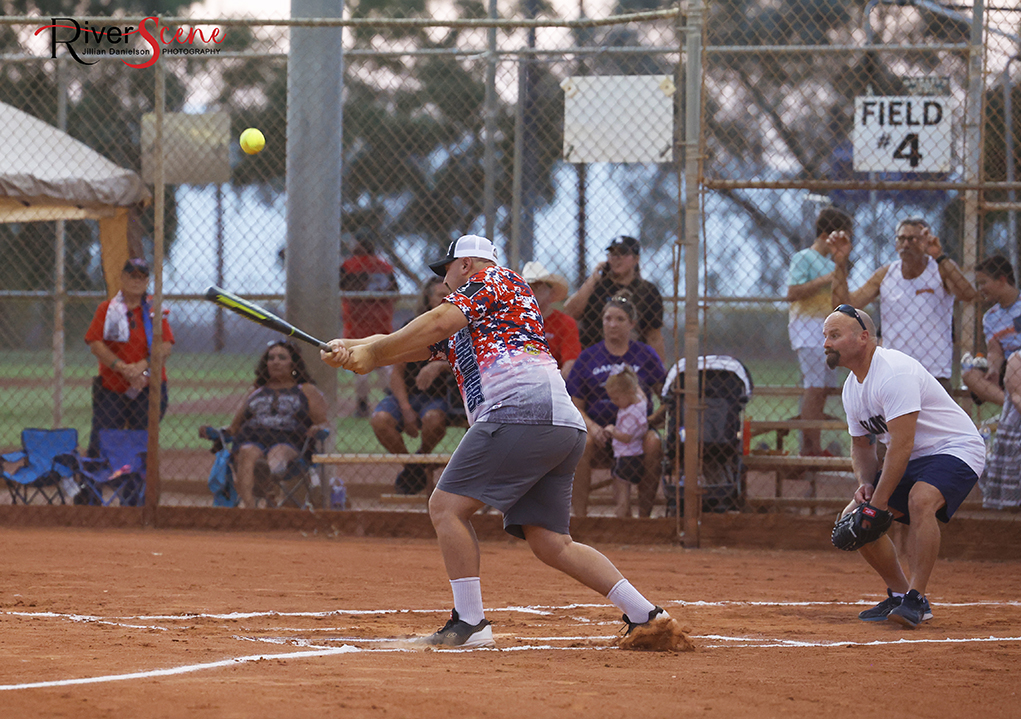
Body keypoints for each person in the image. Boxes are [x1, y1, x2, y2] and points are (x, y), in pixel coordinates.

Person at [321, 234, 690, 651]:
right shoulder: (475, 321)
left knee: (445, 507)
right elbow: (411, 345)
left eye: (446, 272)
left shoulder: (495, 280)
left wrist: (372, 351)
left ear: (466, 266)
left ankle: (470, 623)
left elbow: (436, 322)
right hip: (556, 424)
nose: (443, 283)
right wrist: (351, 348)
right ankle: (647, 615)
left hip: (519, 413)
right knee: (552, 542)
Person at [823, 305, 985, 628]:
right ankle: (899, 595)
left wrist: (878, 506)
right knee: (852, 519)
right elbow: (862, 446)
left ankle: (917, 599)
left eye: (835, 335)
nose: (826, 343)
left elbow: (902, 445)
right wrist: (867, 487)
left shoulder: (893, 371)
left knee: (920, 499)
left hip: (954, 447)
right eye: (825, 336)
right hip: (912, 457)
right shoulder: (851, 389)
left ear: (863, 338)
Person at [829, 217, 976, 391]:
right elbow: (844, 307)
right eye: (901, 239)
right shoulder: (886, 274)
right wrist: (840, 263)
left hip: (934, 373)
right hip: (894, 371)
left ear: (926, 241)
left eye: (913, 239)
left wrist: (939, 256)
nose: (906, 244)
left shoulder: (940, 268)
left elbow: (968, 295)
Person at [566, 294, 666, 519]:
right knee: (582, 442)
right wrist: (592, 428)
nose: (612, 324)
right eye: (607, 318)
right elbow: (575, 405)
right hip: (599, 430)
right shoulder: (588, 357)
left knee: (653, 443)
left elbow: (666, 397)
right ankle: (580, 519)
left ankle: (643, 519)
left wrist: (647, 423)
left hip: (636, 432)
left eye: (620, 319)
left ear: (631, 324)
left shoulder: (645, 355)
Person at [206, 341, 329, 509]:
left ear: (293, 363)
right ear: (266, 363)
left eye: (282, 357)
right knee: (246, 451)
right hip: (252, 437)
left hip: (289, 440)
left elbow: (322, 422)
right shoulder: (256, 391)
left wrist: (317, 428)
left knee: (277, 452)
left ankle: (267, 482)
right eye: (271, 358)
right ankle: (251, 509)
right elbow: (235, 426)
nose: (276, 361)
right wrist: (215, 431)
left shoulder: (306, 390)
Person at [371, 277, 456, 495]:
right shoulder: (412, 327)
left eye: (448, 295)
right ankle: (414, 467)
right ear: (428, 300)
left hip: (441, 397)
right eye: (438, 295)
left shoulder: (460, 328)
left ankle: (418, 460)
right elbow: (396, 373)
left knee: (433, 419)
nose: (444, 300)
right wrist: (406, 409)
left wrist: (439, 366)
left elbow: (472, 363)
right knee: (380, 420)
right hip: (407, 394)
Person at [84, 258, 174, 457]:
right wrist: (123, 368)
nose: (136, 282)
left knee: (140, 446)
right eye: (132, 276)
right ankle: (93, 485)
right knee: (100, 444)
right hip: (112, 386)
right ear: (122, 278)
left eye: (142, 278)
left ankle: (135, 487)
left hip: (148, 386)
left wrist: (142, 366)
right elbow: (95, 343)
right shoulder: (108, 309)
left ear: (147, 281)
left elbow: (165, 346)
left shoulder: (154, 310)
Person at [786, 207, 852, 455]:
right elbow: (792, 293)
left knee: (823, 389)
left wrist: (839, 269)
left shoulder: (834, 263)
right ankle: (809, 450)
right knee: (814, 388)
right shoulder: (804, 257)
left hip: (827, 333)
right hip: (807, 329)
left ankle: (814, 445)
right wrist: (827, 278)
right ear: (828, 233)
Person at [563, 235, 666, 362]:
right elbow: (570, 313)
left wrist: (660, 370)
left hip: (633, 359)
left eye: (623, 253)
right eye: (612, 254)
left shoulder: (647, 291)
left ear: (636, 259)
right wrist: (593, 278)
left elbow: (654, 336)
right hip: (594, 357)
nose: (617, 258)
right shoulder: (595, 286)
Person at [340, 231, 399, 417]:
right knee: (383, 364)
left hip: (357, 323)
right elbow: (396, 292)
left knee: (360, 366)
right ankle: (393, 399)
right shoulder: (385, 266)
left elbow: (341, 285)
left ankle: (363, 406)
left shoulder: (349, 265)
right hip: (381, 321)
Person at [963, 255, 1021, 405]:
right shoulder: (990, 317)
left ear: (1001, 280)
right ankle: (1010, 404)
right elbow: (995, 350)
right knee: (970, 376)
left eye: (983, 283)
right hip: (1007, 365)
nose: (980, 289)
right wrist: (994, 369)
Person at [521, 261, 581, 378]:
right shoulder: (515, 322)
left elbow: (570, 364)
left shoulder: (565, 323)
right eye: (527, 287)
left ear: (551, 292)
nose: (531, 291)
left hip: (554, 384)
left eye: (537, 286)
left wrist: (555, 387)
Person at [603, 366, 648, 519]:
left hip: (626, 457)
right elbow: (641, 393)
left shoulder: (631, 413)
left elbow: (626, 437)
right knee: (622, 488)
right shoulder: (640, 402)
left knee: (622, 491)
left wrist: (612, 430)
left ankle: (621, 516)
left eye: (616, 398)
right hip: (632, 454)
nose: (613, 402)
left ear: (629, 393)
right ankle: (626, 517)